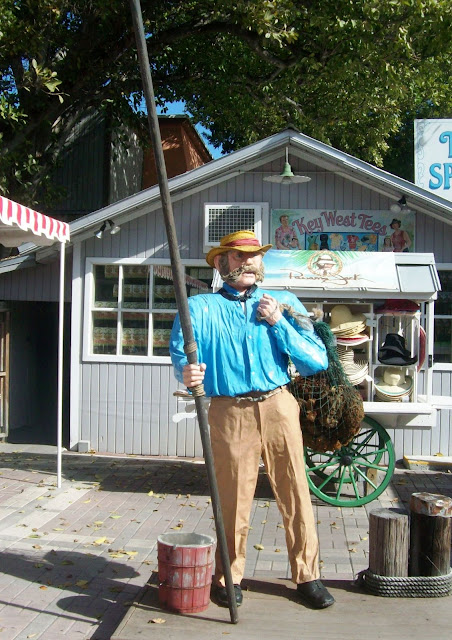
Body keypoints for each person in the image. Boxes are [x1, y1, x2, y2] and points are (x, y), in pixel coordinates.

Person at [170, 230, 335, 610]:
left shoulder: (285, 303)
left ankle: (307, 575)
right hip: (229, 410)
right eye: (238, 256)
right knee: (232, 496)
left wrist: (278, 322)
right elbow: (181, 354)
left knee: (296, 489)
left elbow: (316, 360)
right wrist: (186, 371)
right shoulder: (198, 308)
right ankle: (228, 576)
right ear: (220, 263)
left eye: (254, 255)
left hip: (279, 404)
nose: (248, 262)